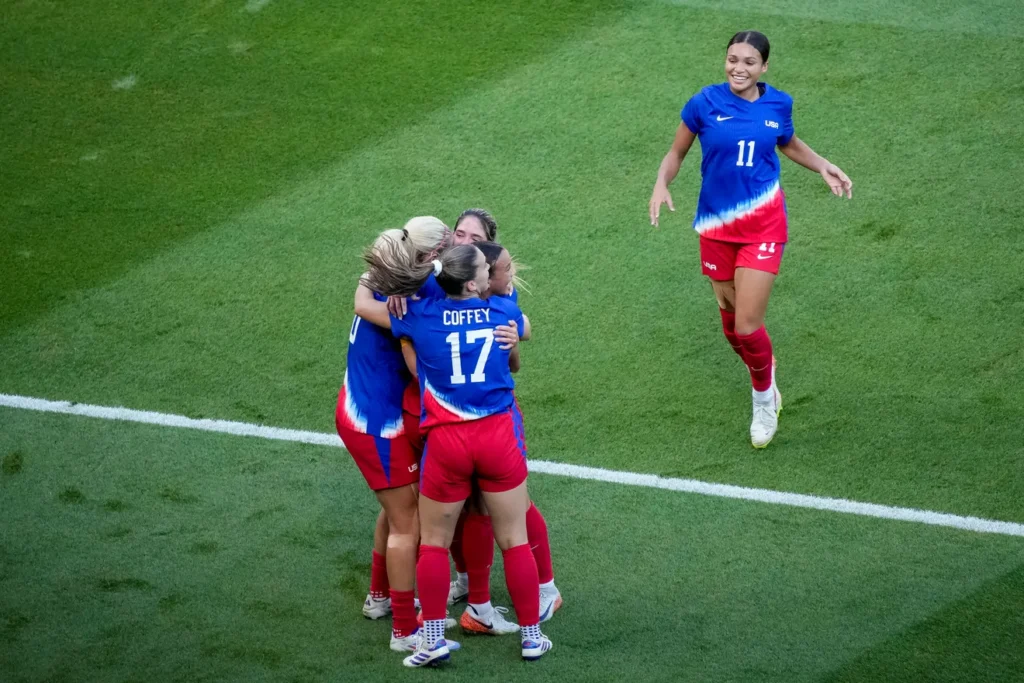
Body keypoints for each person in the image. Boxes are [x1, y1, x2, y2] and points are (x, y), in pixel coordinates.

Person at [648, 30, 852, 448]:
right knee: (731, 327)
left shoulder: (778, 104)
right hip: (716, 226)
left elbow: (787, 142)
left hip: (763, 226)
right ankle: (765, 371)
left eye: (748, 62)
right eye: (732, 59)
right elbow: (676, 152)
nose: (738, 68)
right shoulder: (704, 102)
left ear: (764, 67)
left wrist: (822, 165)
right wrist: (661, 182)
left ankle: (763, 400)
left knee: (747, 324)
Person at [357, 241, 553, 666]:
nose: (490, 271)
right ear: (471, 284)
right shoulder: (502, 311)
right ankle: (532, 637)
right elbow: (524, 329)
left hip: (446, 443)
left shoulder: (419, 316)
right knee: (514, 540)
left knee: (433, 544)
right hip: (497, 437)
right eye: (484, 268)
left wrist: (387, 282)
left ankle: (431, 640)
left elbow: (367, 307)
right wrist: (516, 328)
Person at [448, 242, 562, 634]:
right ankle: (479, 599)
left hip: (490, 421)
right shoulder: (477, 294)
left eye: (472, 236)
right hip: (474, 424)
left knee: (510, 506)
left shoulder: (498, 298)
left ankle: (544, 589)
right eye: (459, 233)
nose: (462, 239)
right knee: (474, 509)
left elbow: (517, 351)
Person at [335, 228, 423, 653]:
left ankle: (379, 597)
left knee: (396, 508)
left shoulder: (377, 287)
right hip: (376, 424)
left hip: (364, 412)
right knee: (410, 522)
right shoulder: (401, 309)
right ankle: (404, 630)